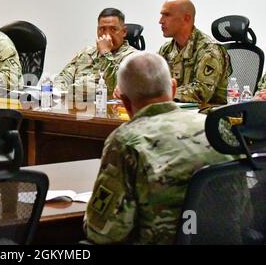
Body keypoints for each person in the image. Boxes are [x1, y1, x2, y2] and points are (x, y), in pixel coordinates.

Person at [84, 52, 234, 244]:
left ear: (125, 101)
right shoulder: (219, 128)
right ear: (173, 88)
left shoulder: (126, 141)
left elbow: (103, 232)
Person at [158, 0, 231, 105]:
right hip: (177, 113)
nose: (161, 21)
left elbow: (201, 91)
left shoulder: (210, 50)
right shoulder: (166, 49)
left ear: (187, 18)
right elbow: (154, 80)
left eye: (167, 15)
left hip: (208, 116)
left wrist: (163, 95)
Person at [54, 8, 137, 96]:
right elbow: (63, 78)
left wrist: (105, 53)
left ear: (124, 32)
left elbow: (115, 88)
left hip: (107, 108)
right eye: (102, 29)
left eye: (113, 29)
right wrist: (57, 93)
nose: (107, 34)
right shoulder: (86, 53)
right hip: (76, 106)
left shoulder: (133, 58)